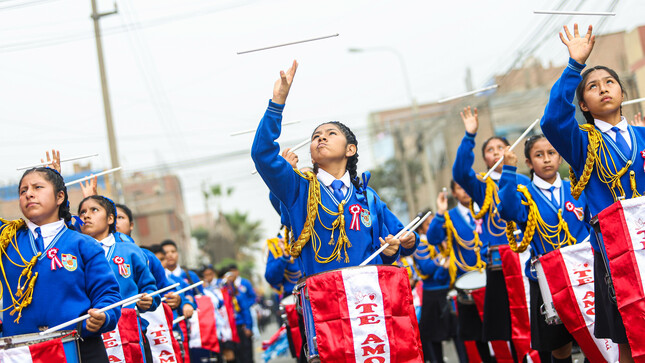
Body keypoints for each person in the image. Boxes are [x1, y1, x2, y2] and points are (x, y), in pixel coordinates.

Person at [251, 60, 418, 276]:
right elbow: (261, 154)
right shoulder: (298, 189)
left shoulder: (369, 197)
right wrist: (277, 103)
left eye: (331, 134)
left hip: (368, 300)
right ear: (311, 154)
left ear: (350, 149)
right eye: (316, 137)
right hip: (324, 301)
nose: (321, 138)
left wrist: (403, 244)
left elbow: (398, 242)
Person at [540, 23, 645, 363]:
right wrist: (575, 67)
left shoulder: (642, 136)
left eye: (610, 83)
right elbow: (553, 120)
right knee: (627, 336)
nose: (603, 90)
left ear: (623, 93)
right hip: (616, 254)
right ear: (583, 105)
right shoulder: (583, 143)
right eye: (593, 87)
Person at [0, 161, 122, 362]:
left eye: (38, 187)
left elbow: (107, 293)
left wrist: (103, 316)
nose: (29, 194)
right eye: (23, 191)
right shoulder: (6, 241)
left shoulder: (84, 243)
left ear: (60, 196)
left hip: (79, 348)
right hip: (20, 352)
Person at [497, 134, 590, 363]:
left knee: (596, 337)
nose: (547, 160)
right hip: (547, 279)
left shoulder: (576, 189)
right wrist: (508, 171)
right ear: (528, 162)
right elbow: (507, 211)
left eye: (551, 153)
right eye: (539, 155)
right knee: (559, 347)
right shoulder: (525, 194)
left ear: (560, 158)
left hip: (583, 274)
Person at [452, 106, 531, 349]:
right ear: (484, 158)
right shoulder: (481, 185)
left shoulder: (525, 181)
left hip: (528, 257)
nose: (496, 153)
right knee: (508, 325)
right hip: (499, 263)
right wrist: (469, 136)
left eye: (500, 148)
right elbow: (459, 172)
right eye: (490, 150)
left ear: (510, 151)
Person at [427, 184, 491, 362]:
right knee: (478, 337)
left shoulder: (486, 208)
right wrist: (440, 212)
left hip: (492, 279)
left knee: (501, 330)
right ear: (454, 193)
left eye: (467, 185)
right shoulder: (450, 217)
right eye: (461, 188)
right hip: (468, 286)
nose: (466, 190)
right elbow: (433, 238)